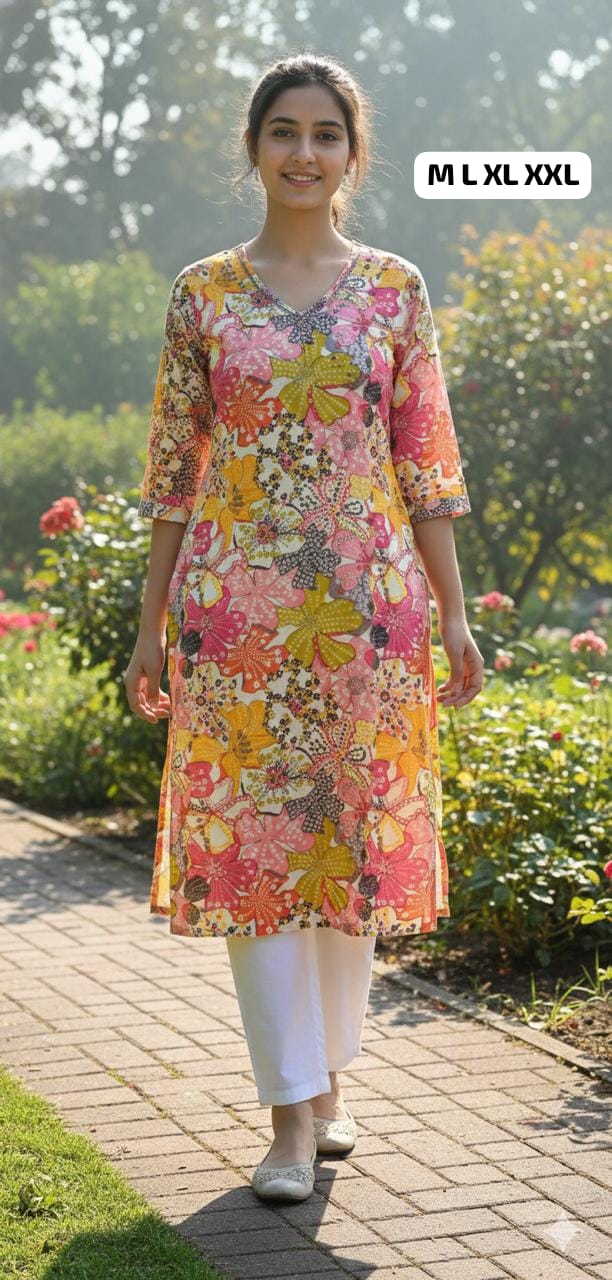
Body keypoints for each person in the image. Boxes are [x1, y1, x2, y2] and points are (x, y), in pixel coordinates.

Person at [123, 51, 484, 1202]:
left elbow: (427, 467)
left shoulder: (394, 290)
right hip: (237, 621)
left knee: (348, 860)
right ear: (254, 148)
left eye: (326, 133)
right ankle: (287, 1117)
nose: (304, 152)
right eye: (284, 130)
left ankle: (327, 1079)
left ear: (352, 154)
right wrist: (149, 629)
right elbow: (173, 479)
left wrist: (457, 616)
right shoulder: (204, 297)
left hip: (371, 620)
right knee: (256, 861)